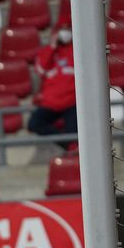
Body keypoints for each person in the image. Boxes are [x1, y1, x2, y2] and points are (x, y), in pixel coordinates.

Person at [28, 22, 78, 154]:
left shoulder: (76, 50)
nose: (65, 33)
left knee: (75, 134)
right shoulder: (46, 52)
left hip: (72, 102)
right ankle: (67, 145)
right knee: (34, 123)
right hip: (51, 103)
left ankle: (72, 151)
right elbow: (40, 70)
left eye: (67, 30)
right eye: (62, 30)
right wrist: (52, 47)